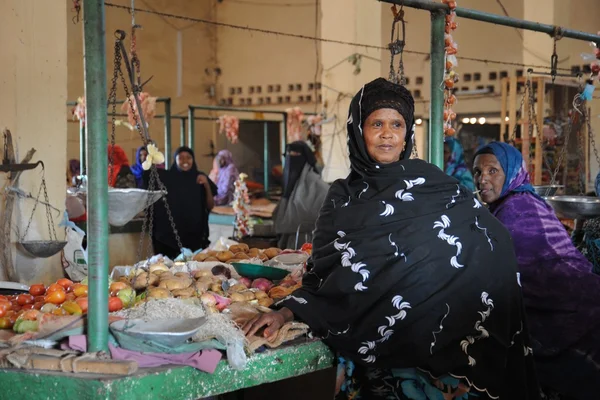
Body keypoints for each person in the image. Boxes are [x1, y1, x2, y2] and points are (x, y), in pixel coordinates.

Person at [244, 78, 540, 399]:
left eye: (397, 124)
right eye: (377, 123)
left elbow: (494, 243)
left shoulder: (438, 187)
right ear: (358, 130)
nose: (387, 133)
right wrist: (286, 312)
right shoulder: (342, 198)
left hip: (438, 371)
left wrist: (469, 318)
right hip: (375, 368)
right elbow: (323, 279)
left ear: (407, 133)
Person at [473, 141, 600, 399]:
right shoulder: (522, 200)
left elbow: (520, 272)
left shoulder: (515, 210)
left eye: (492, 171)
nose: (482, 179)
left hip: (570, 305)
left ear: (511, 172)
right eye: (477, 172)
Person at [147, 146, 217, 259]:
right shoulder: (167, 177)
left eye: (188, 157)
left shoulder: (199, 177)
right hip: (170, 237)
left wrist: (206, 185)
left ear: (193, 159)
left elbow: (210, 205)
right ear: (175, 160)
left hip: (194, 235)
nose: (185, 161)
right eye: (181, 158)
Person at [273, 141, 329, 249]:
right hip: (289, 244)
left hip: (310, 242)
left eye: (296, 155)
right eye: (289, 155)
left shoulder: (317, 185)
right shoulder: (291, 183)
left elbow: (322, 215)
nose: (291, 159)